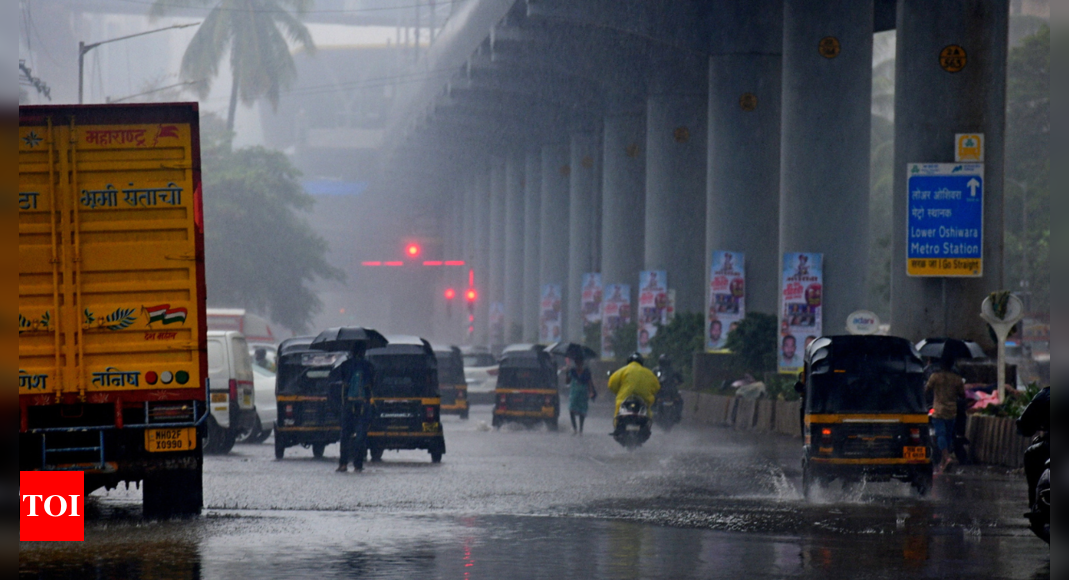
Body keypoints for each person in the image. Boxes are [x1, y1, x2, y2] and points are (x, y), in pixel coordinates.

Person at [925, 356, 966, 474]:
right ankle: (944, 462)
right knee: (948, 436)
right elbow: (963, 395)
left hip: (938, 411)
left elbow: (926, 390)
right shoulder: (957, 379)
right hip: (952, 411)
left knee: (940, 434)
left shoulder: (935, 377)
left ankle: (947, 457)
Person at [338, 349, 374, 472]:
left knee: (345, 435)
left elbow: (341, 381)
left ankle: (343, 464)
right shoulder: (369, 366)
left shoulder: (345, 365)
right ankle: (358, 465)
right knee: (360, 435)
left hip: (348, 404)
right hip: (363, 405)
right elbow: (372, 384)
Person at [1017, 386, 1050, 510]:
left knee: (1031, 454)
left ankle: (1035, 504)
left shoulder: (1046, 394)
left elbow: (1025, 423)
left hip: (1050, 446)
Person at [607, 353, 661, 426]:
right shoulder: (648, 373)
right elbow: (656, 387)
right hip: (644, 399)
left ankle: (616, 426)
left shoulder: (622, 371)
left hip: (624, 398)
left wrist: (618, 392)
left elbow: (611, 384)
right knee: (647, 412)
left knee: (618, 413)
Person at [566, 354, 596, 435]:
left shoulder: (586, 372)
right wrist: (567, 372)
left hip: (583, 395)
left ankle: (581, 430)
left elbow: (589, 382)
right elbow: (567, 382)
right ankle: (575, 429)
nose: (578, 363)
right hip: (574, 394)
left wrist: (591, 392)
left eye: (580, 362)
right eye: (577, 362)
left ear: (582, 362)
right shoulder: (572, 371)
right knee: (571, 410)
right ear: (575, 362)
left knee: (582, 412)